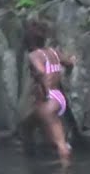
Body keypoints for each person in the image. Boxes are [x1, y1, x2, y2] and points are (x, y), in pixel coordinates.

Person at [23, 20, 76, 161]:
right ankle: (34, 154)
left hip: (48, 100)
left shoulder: (33, 55)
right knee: (27, 126)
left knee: (61, 145)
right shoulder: (54, 52)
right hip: (59, 97)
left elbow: (40, 71)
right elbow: (70, 63)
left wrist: (45, 90)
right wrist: (71, 61)